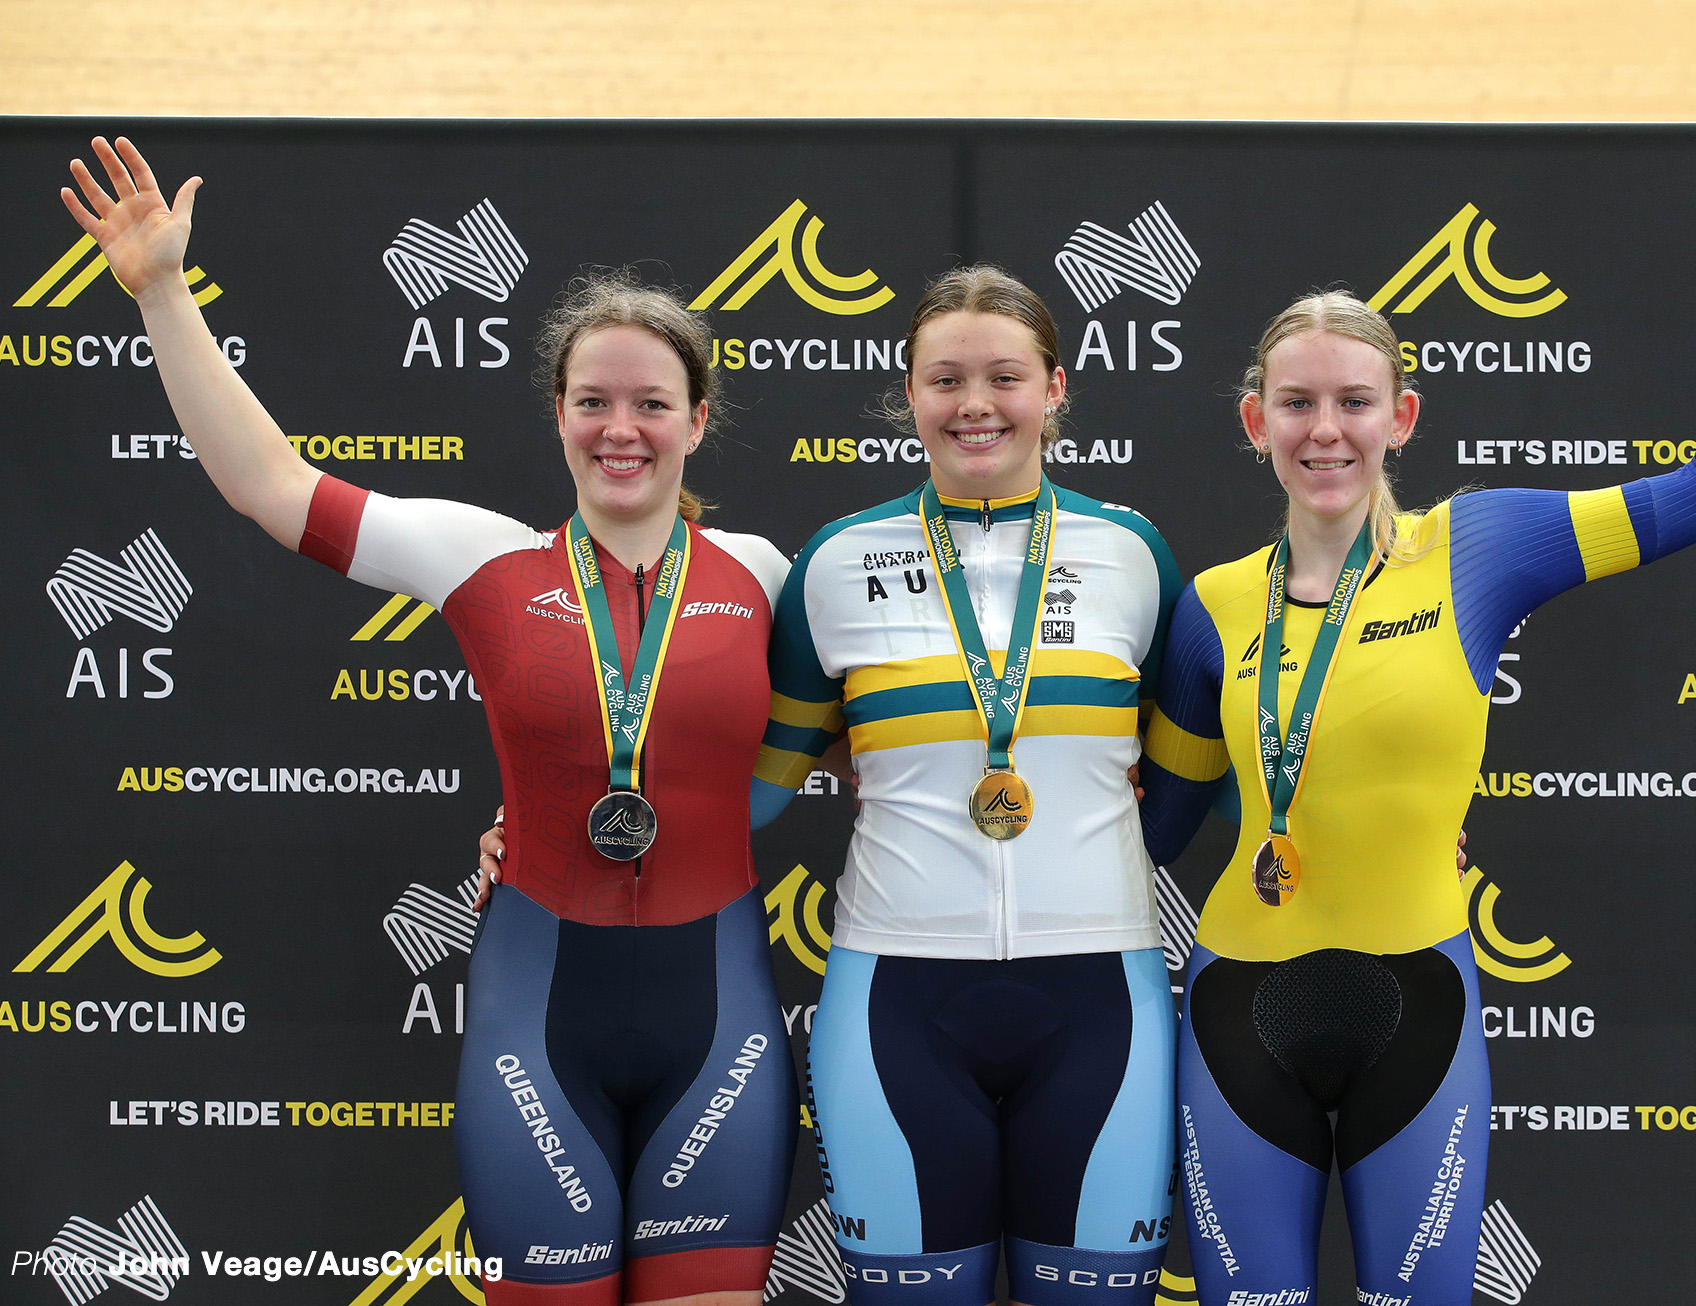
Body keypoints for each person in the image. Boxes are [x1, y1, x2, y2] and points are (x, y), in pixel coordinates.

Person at [61, 137, 796, 1306]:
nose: (622, 427)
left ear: (697, 421)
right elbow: (273, 485)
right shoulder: (483, 557)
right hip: (535, 1011)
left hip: (722, 1030)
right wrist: (162, 293)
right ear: (556, 414)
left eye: (652, 403)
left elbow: (884, 717)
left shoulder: (765, 572)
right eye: (593, 401)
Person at [1138, 151, 1696, 1305]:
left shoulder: (1478, 547)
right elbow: (1160, 824)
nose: (1327, 432)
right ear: (1255, 419)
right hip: (1234, 1011)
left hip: (1420, 1005)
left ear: (1400, 417)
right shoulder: (1208, 604)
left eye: (1355, 403)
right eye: (1298, 404)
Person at [745, 267, 1183, 1306]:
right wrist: (536, 818)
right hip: (896, 996)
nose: (975, 404)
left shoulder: (1132, 554)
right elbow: (751, 792)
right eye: (944, 379)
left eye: (1004, 377)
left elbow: (1215, 769)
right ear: (908, 394)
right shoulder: (836, 563)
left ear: (1056, 388)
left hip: (1099, 998)